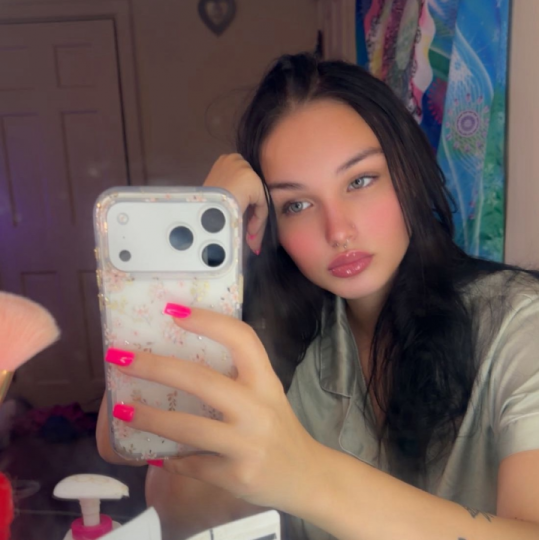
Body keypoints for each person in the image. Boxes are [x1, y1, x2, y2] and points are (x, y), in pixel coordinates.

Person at [96, 53, 539, 540]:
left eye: (360, 181)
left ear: (408, 174)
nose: (338, 230)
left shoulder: (518, 323)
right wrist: (201, 233)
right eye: (297, 204)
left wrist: (305, 475)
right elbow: (151, 475)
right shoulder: (289, 342)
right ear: (271, 226)